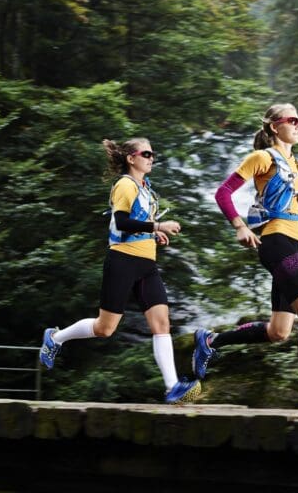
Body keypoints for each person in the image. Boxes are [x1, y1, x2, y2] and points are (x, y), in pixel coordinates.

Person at [192, 103, 298, 414]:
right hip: (276, 242)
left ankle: (211, 341)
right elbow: (223, 193)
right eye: (292, 120)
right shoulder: (263, 158)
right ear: (273, 127)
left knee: (278, 332)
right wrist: (240, 226)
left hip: (294, 244)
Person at [39, 138, 201, 405]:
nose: (151, 158)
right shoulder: (125, 185)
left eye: (153, 153)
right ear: (131, 158)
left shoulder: (146, 188)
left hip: (147, 265)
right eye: (146, 153)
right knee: (105, 328)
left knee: (162, 323)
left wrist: (153, 235)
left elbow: (138, 224)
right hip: (123, 262)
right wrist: (158, 226)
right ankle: (55, 337)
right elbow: (123, 222)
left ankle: (172, 387)